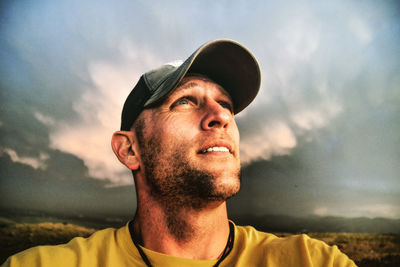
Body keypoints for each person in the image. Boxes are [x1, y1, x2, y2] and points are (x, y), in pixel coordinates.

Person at [2, 39, 356, 267]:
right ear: (129, 149)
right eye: (185, 101)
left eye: (226, 105)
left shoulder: (312, 261)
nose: (220, 117)